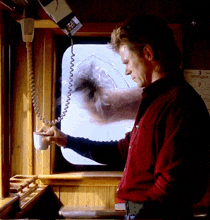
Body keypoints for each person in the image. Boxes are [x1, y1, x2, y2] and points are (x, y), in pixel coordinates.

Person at [39, 15, 210, 219]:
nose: (127, 71)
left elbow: (170, 184)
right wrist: (66, 140)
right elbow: (121, 150)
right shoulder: (154, 100)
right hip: (139, 211)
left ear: (147, 53)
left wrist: (137, 216)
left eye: (127, 62)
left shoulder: (179, 104)